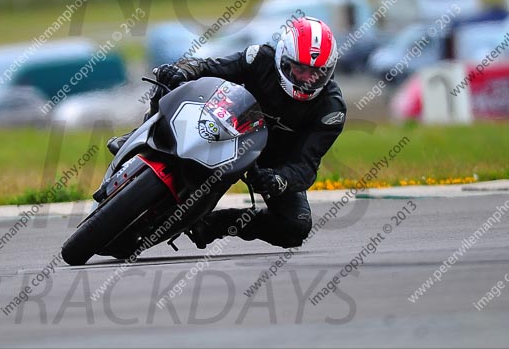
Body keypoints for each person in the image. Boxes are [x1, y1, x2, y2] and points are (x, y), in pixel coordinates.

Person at [109, 17, 346, 249]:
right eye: (299, 68)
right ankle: (137, 138)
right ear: (282, 58)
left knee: (296, 227)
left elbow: (306, 164)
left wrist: (280, 179)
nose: (306, 79)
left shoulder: (331, 110)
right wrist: (182, 70)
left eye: (316, 73)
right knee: (169, 81)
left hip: (271, 163)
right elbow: (210, 67)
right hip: (228, 124)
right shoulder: (259, 58)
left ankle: (214, 225)